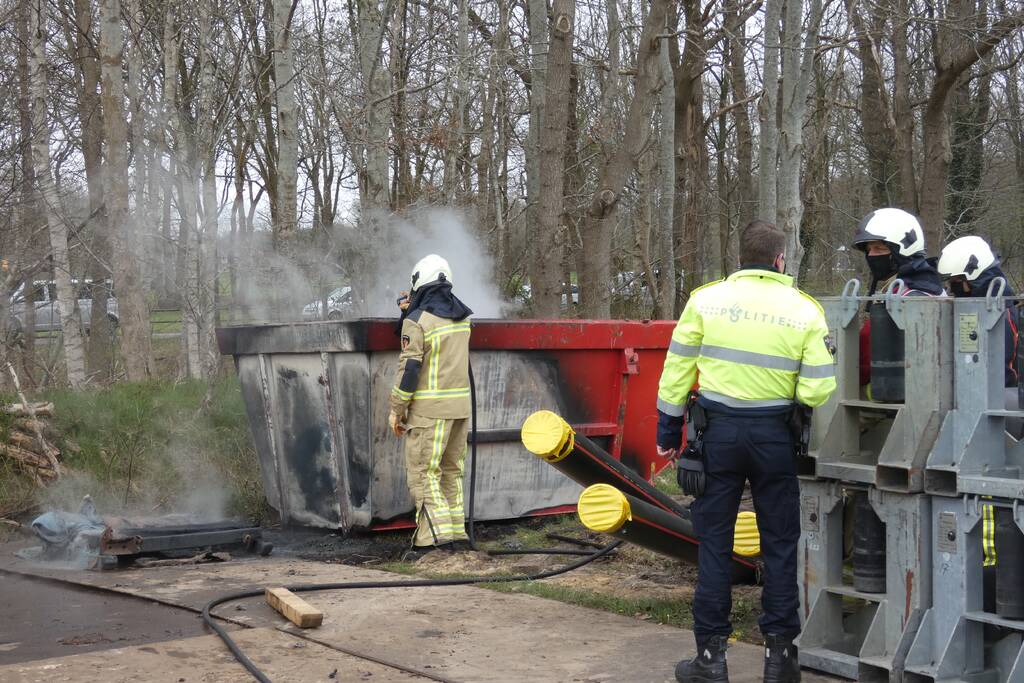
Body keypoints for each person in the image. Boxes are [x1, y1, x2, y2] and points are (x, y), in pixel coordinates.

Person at [657, 220, 837, 683]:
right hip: (776, 438)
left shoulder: (706, 299)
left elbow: (676, 369)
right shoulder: (805, 310)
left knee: (714, 544)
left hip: (716, 437)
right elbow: (818, 391)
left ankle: (710, 661)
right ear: (780, 260)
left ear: (740, 258)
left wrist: (667, 428)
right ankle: (780, 661)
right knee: (779, 545)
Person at [389, 254, 474, 560]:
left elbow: (410, 367)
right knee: (451, 472)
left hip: (429, 413)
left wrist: (397, 409)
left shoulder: (418, 321)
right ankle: (456, 536)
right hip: (460, 409)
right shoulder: (463, 318)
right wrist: (407, 313)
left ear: (419, 282)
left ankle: (431, 541)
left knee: (425, 473)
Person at [851, 208, 945, 390]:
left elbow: (866, 358)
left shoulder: (909, 297)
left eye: (879, 248)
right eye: (869, 250)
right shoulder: (929, 286)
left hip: (900, 400)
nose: (871, 256)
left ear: (902, 250)